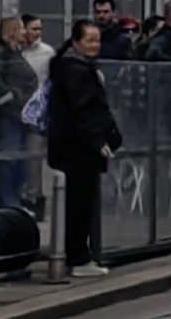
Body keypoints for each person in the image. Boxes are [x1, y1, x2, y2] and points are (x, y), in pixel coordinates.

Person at [48, 20, 122, 277]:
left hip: (71, 146)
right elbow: (83, 112)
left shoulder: (71, 67)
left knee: (78, 203)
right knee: (80, 204)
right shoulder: (76, 71)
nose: (95, 45)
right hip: (77, 149)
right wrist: (98, 140)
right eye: (89, 40)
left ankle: (78, 255)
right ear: (76, 42)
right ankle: (78, 258)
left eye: (97, 40)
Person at [0, 17, 38, 209]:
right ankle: (7, 202)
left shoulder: (14, 53)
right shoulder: (1, 54)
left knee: (17, 162)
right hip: (7, 117)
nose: (25, 32)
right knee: (7, 160)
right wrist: (13, 97)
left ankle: (8, 202)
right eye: (22, 28)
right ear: (12, 31)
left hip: (18, 116)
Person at [20, 14, 56, 219]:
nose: (37, 33)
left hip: (38, 113)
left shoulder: (47, 53)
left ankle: (34, 198)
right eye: (33, 28)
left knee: (35, 157)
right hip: (16, 110)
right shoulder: (16, 52)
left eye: (39, 29)